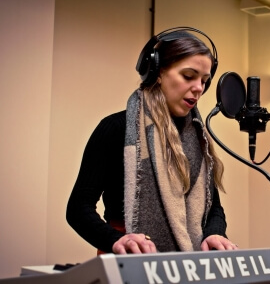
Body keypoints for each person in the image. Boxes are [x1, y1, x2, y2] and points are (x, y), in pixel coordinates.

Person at [66, 27, 237, 254]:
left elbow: (213, 207)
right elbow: (78, 209)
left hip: (190, 265)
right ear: (157, 71)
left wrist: (215, 233)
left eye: (204, 80)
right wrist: (115, 240)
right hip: (128, 257)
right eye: (188, 76)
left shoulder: (198, 136)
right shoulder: (115, 128)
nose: (199, 88)